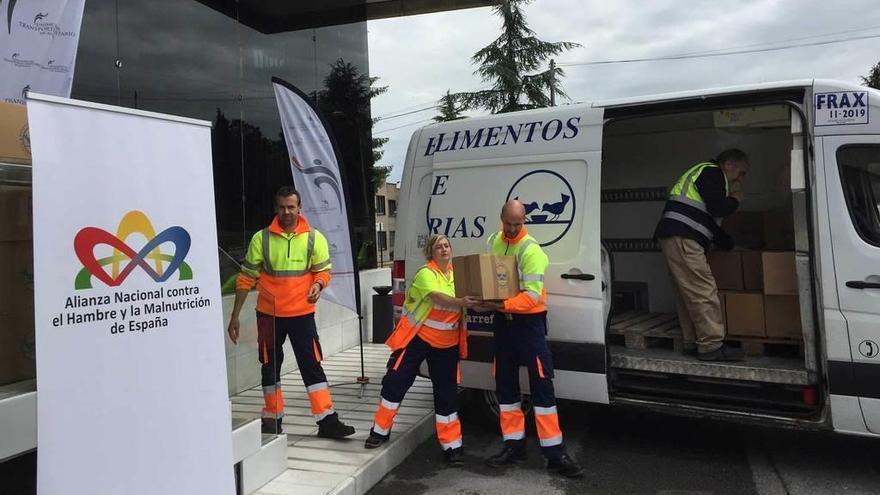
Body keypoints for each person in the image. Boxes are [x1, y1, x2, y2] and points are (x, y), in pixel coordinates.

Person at [227, 186, 355, 438]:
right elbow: (245, 279)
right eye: (282, 207)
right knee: (269, 367)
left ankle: (326, 420)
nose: (286, 211)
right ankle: (272, 418)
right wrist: (234, 316)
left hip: (301, 315)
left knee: (312, 366)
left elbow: (323, 272)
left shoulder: (313, 237)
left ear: (299, 208)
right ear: (276, 208)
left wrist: (318, 285)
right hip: (268, 315)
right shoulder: (260, 239)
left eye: (291, 207)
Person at [477, 200, 584, 479]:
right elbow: (490, 280)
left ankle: (555, 455)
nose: (512, 229)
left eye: (518, 224)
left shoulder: (531, 250)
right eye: (508, 223)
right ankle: (514, 447)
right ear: (501, 219)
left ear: (525, 221)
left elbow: (533, 296)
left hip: (529, 325)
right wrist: (480, 300)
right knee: (505, 387)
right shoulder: (493, 242)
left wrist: (500, 306)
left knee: (542, 387)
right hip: (503, 325)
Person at [364, 234, 476, 466]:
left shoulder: (457, 274)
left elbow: (473, 296)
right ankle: (379, 431)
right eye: (438, 247)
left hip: (447, 344)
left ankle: (452, 446)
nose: (444, 250)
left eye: (446, 246)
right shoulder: (426, 273)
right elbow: (438, 298)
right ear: (431, 252)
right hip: (419, 338)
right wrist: (463, 302)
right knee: (395, 381)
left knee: (446, 396)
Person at [654, 149, 750, 362]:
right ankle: (711, 346)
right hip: (683, 238)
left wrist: (730, 245)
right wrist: (736, 200)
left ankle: (692, 341)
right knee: (702, 290)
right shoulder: (712, 172)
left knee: (687, 292)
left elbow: (710, 222)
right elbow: (717, 209)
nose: (741, 180)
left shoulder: (704, 174)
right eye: (741, 173)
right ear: (728, 164)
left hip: (676, 236)